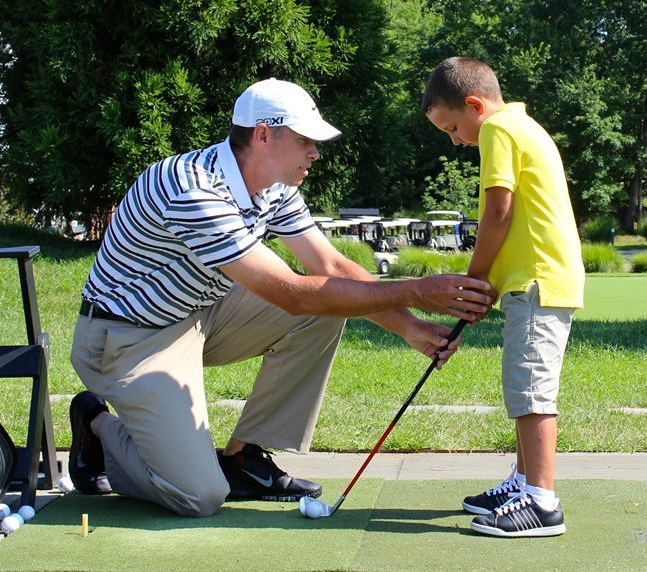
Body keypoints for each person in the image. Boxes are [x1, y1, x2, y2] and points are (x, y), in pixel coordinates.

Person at [69, 78, 496, 518]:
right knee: (199, 495)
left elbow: (330, 269)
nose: (315, 152)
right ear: (263, 134)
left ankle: (242, 459)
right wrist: (421, 291)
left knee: (326, 307)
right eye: (305, 139)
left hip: (201, 312)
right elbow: (290, 295)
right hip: (128, 338)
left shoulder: (276, 187)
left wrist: (409, 326)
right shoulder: (191, 188)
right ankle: (98, 426)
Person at [422, 57, 585, 537]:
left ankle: (541, 501)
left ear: (475, 105)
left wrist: (473, 281)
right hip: (532, 278)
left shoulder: (497, 131)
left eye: (453, 127)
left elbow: (498, 214)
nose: (455, 140)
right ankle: (522, 482)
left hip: (537, 279)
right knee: (522, 382)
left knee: (531, 388)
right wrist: (490, 284)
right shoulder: (521, 125)